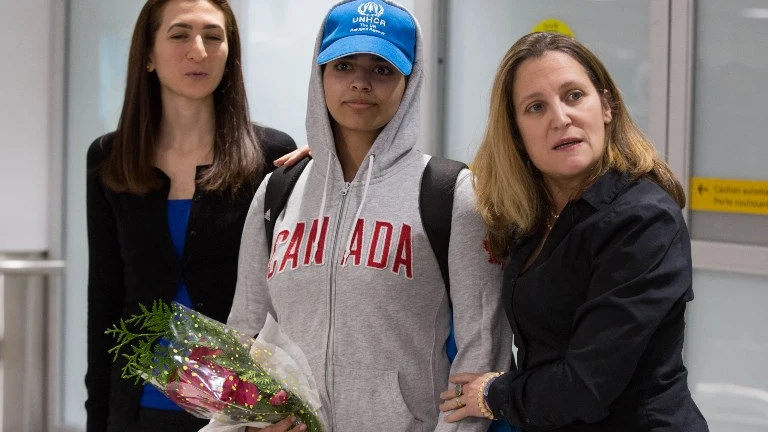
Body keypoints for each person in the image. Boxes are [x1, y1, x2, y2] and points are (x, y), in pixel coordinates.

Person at [225, 1, 512, 431]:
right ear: (319, 73)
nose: (360, 83)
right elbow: (244, 335)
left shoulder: (451, 194)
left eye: (381, 69)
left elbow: (481, 353)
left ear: (408, 81)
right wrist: (250, 421)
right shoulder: (277, 192)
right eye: (343, 65)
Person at [438, 32, 709, 431]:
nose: (560, 118)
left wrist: (493, 394)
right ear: (516, 134)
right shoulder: (531, 218)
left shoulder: (643, 220)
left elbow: (586, 385)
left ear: (607, 107)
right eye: (535, 107)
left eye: (574, 96)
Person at [84, 1, 306, 431]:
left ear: (230, 52)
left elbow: (291, 295)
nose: (199, 51)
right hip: (138, 407)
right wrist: (99, 415)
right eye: (180, 34)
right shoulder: (109, 159)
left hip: (240, 413)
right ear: (147, 55)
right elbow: (105, 298)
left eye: (214, 36)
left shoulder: (272, 156)